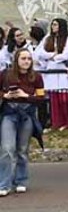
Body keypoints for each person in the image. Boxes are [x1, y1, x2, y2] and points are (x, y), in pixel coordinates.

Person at [0, 49, 45, 196]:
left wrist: (26, 95)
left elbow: (41, 98)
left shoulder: (37, 77)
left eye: (29, 59)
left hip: (27, 114)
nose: (26, 61)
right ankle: (4, 184)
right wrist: (6, 95)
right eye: (23, 58)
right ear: (16, 60)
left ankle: (21, 180)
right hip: (9, 113)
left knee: (22, 149)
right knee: (7, 149)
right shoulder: (5, 75)